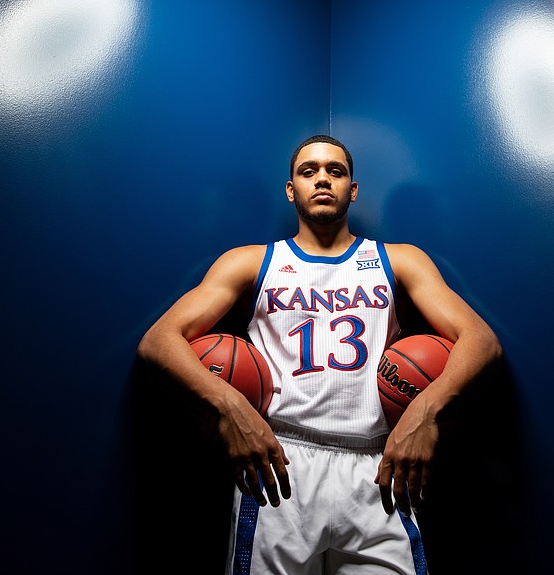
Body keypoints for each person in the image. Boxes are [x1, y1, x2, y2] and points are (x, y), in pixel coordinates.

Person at [136, 135, 502, 574]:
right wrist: (231, 408)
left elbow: (481, 341)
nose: (322, 179)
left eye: (336, 170)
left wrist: (424, 416)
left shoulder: (398, 260)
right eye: (308, 171)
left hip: (379, 466)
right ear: (291, 190)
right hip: (279, 464)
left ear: (353, 188)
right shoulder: (252, 262)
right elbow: (159, 341)